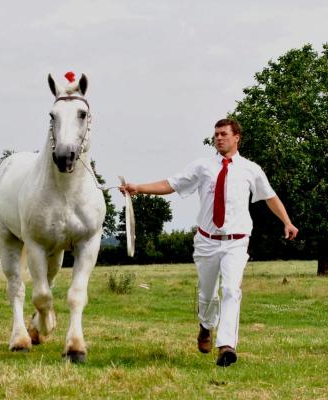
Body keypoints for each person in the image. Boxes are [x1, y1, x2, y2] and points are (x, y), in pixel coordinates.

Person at [120, 118, 298, 367]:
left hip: (236, 241)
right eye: (215, 134)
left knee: (231, 290)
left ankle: (226, 346)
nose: (218, 138)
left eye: (223, 134)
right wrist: (139, 187)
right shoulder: (202, 167)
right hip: (206, 241)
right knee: (207, 295)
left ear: (237, 137)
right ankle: (205, 326)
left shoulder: (251, 169)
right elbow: (171, 184)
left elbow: (270, 196)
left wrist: (287, 222)